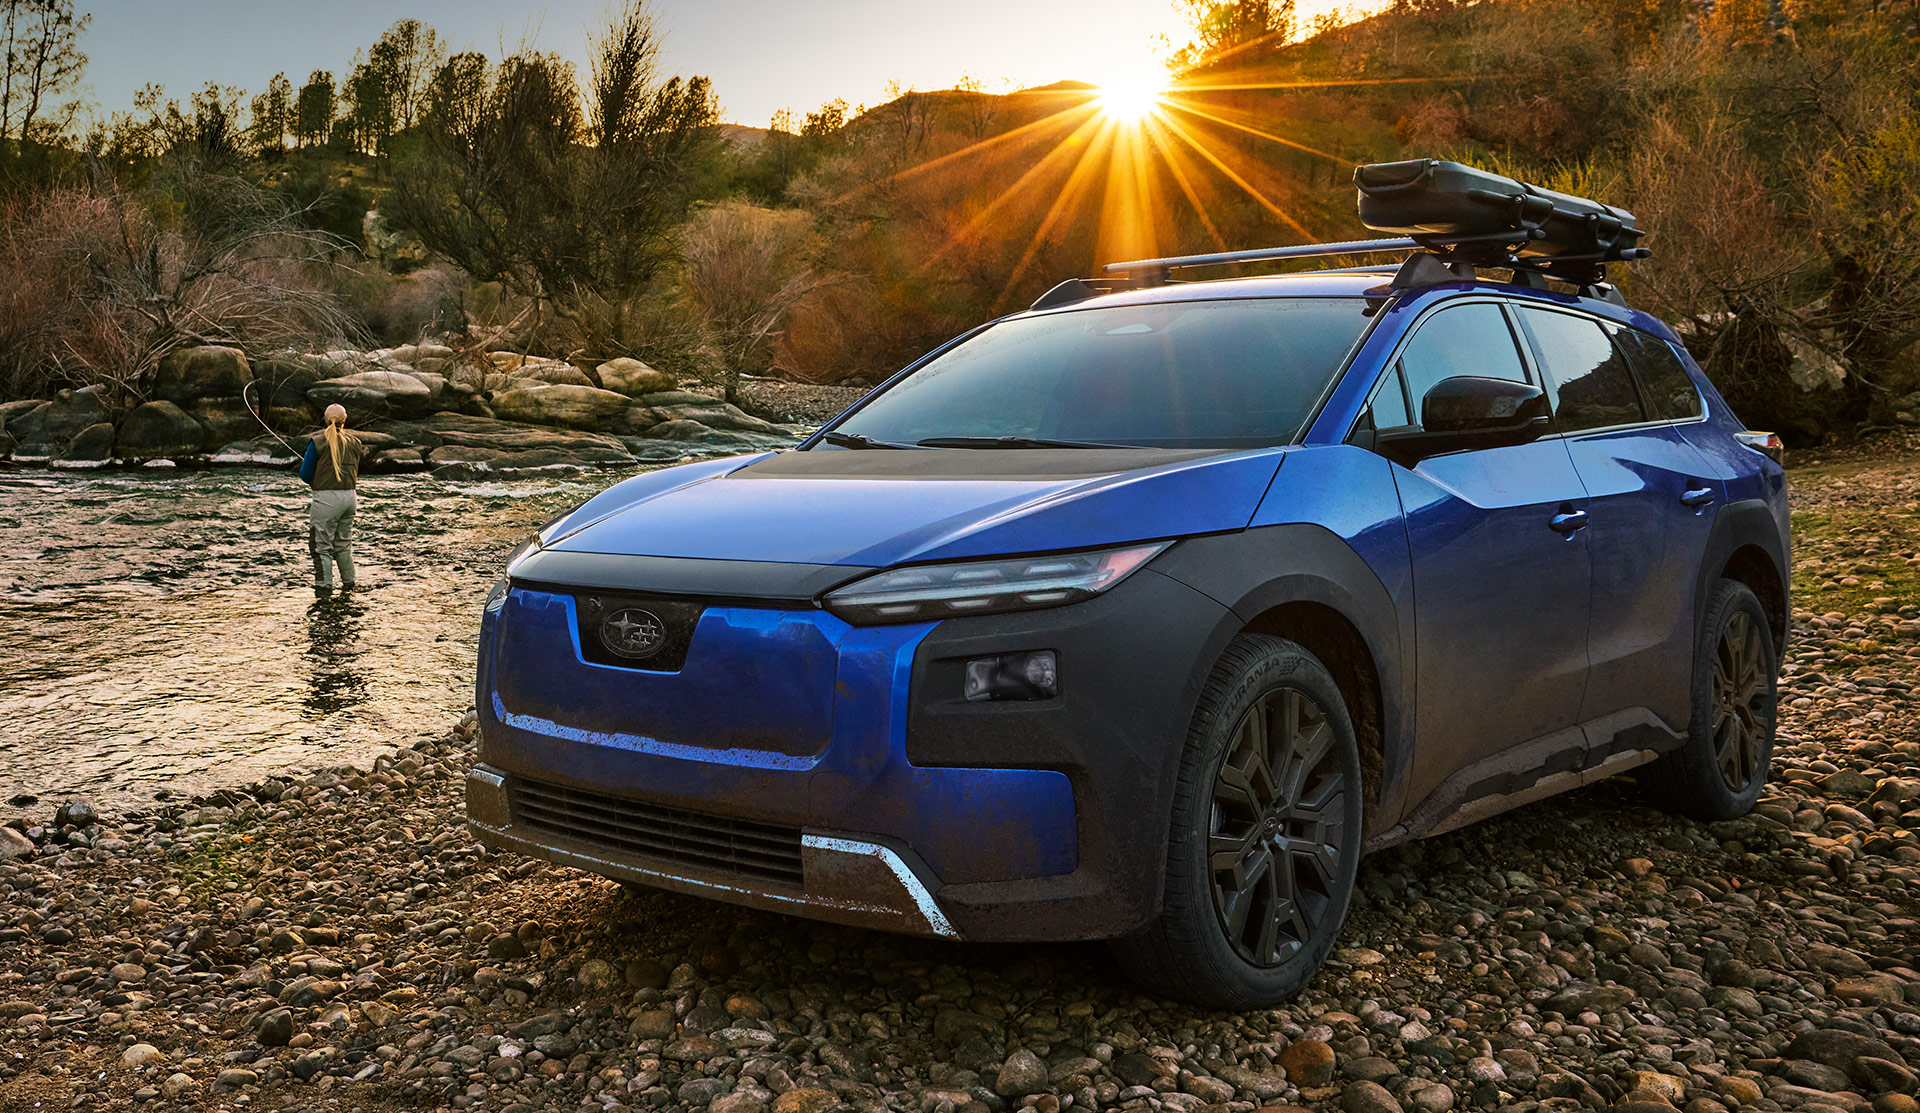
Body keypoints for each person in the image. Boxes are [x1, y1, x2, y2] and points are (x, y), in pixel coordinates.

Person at [299, 404, 365, 593]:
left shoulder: (318, 441)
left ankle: (324, 588)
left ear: (325, 420)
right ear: (345, 421)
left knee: (321, 546)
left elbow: (304, 474)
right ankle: (349, 585)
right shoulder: (355, 442)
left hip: (327, 499)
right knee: (343, 545)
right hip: (350, 498)